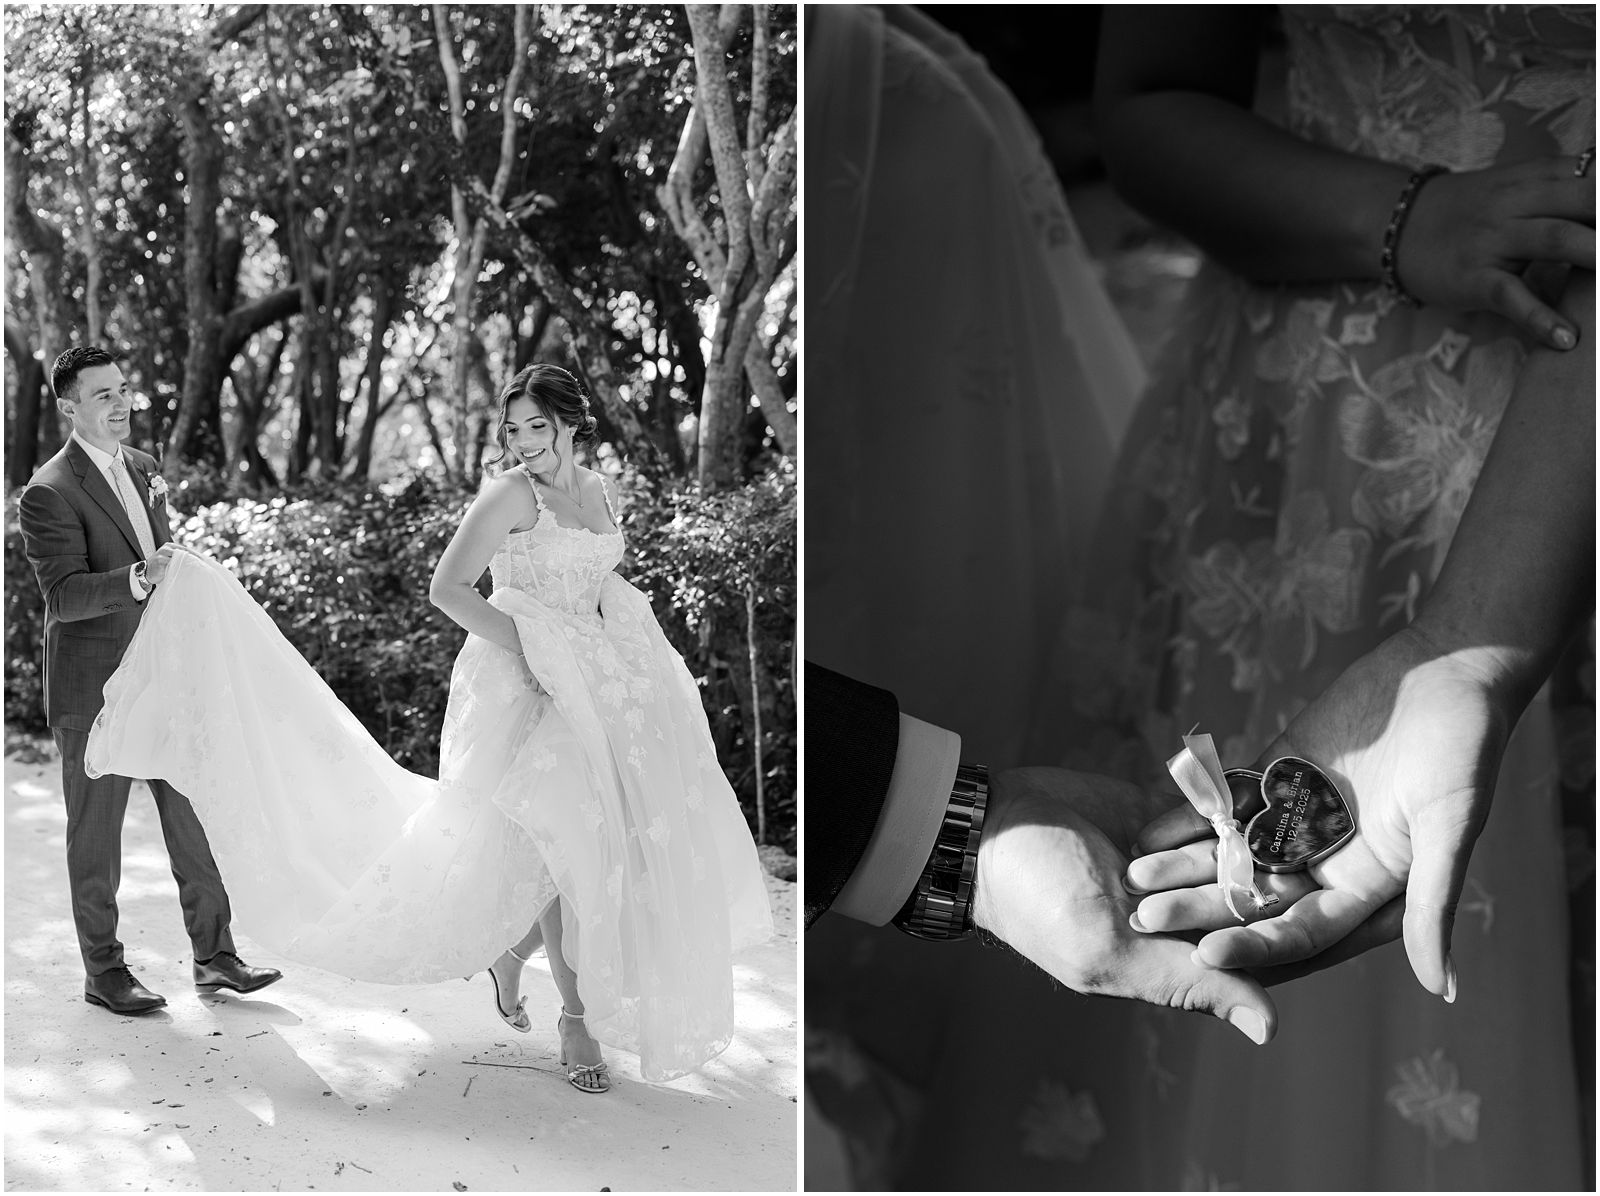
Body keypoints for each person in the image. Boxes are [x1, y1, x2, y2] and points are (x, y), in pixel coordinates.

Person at [83, 362, 774, 1090]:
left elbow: (599, 583)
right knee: (561, 841)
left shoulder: (600, 488)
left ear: (573, 422)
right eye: (513, 429)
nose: (524, 441)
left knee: (578, 847)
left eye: (538, 426)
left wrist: (620, 656)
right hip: (522, 680)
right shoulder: (511, 493)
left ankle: (508, 957)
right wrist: (538, 648)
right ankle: (577, 1020)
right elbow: (448, 590)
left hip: (595, 686)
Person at [18, 345, 282, 1016]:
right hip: (95, 691)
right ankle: (103, 973)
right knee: (96, 838)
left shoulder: (144, 468)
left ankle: (216, 957)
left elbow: (161, 564)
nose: (120, 402)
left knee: (191, 817)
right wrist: (141, 577)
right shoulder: (48, 491)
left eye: (123, 389)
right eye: (102, 393)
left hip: (163, 677)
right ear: (69, 406)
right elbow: (65, 596)